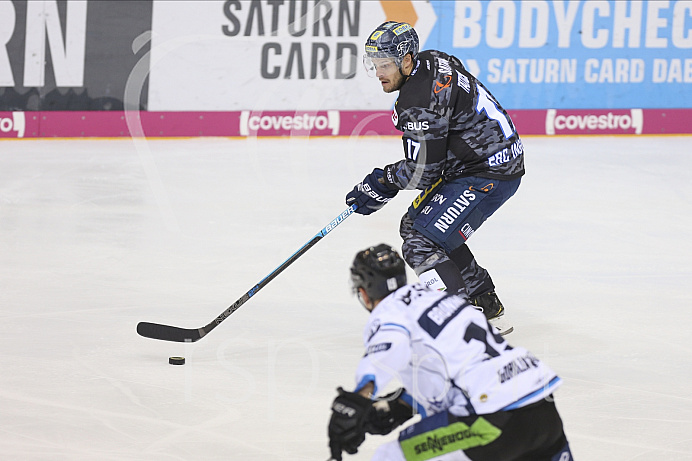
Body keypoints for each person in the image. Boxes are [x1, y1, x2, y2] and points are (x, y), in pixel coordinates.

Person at [346, 21, 525, 326]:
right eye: (374, 64)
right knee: (417, 224)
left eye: (385, 64)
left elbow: (424, 172)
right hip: (491, 161)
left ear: (406, 60)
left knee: (420, 241)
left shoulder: (417, 102)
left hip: (486, 173)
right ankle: (481, 297)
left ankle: (461, 320)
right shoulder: (433, 59)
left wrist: (381, 182)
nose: (379, 73)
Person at [327, 244, 572, 461]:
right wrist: (399, 407)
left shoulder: (388, 313)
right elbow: (455, 369)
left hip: (490, 420)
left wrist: (356, 401)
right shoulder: (445, 300)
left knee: (390, 457)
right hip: (541, 409)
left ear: (364, 293)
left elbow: (388, 350)